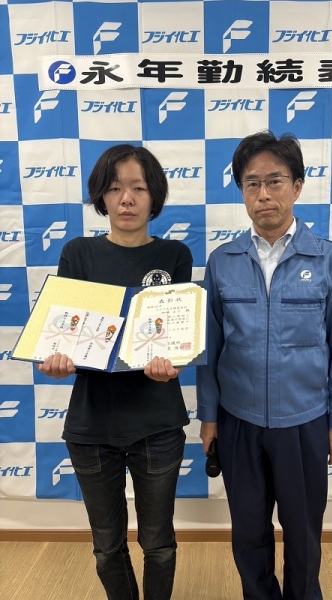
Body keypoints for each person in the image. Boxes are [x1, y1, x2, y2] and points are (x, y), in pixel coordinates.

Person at [197, 131, 332, 600]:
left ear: (297, 186)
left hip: (305, 422)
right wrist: (209, 417)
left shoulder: (329, 259)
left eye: (275, 181)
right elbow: (209, 348)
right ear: (241, 191)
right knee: (248, 532)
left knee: (304, 533)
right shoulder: (222, 261)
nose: (264, 194)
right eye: (252, 184)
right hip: (239, 421)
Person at [37, 144, 193, 600]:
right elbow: (62, 338)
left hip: (157, 425)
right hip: (91, 427)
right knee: (107, 548)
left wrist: (173, 365)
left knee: (158, 544)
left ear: (154, 196)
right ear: (101, 197)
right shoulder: (78, 253)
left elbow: (179, 339)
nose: (127, 199)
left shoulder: (175, 255)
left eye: (138, 188)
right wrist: (57, 360)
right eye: (115, 188)